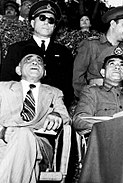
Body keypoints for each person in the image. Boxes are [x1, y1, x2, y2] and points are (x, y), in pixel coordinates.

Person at [0, 51, 70, 182]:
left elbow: (65, 117)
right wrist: (2, 132)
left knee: (23, 134)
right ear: (18, 70)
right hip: (2, 142)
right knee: (27, 168)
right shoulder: (2, 88)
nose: (34, 62)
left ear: (44, 72)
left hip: (39, 147)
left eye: (39, 61)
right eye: (28, 60)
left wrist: (56, 115)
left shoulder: (54, 92)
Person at [0, 0, 75, 109]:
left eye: (51, 20)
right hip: (18, 108)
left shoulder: (64, 53)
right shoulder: (17, 49)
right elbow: (5, 81)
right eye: (42, 18)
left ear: (54, 26)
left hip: (53, 110)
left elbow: (67, 88)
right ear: (32, 23)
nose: (46, 22)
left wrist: (57, 110)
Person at [72, 46, 123, 135]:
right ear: (103, 72)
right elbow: (80, 120)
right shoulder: (92, 93)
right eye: (112, 64)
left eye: (122, 65)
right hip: (102, 141)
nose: (117, 67)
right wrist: (106, 126)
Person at [72, 6, 123, 99]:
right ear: (113, 24)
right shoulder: (91, 45)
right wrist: (86, 99)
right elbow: (78, 78)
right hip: (95, 99)